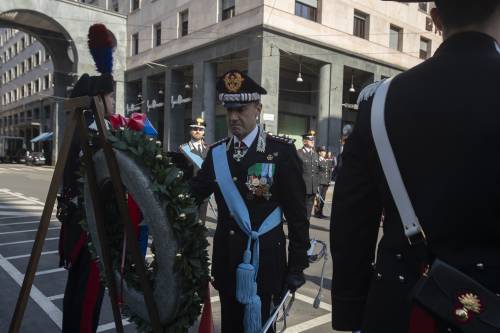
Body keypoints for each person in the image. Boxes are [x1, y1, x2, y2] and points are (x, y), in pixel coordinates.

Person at [330, 1, 500, 333]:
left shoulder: (378, 102)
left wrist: (351, 313)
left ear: (435, 20)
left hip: (402, 307)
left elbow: (351, 223)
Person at [189, 70, 310, 333]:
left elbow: (298, 215)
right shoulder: (218, 154)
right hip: (228, 262)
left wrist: (297, 265)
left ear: (258, 109)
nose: (233, 117)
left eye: (241, 109)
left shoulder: (280, 153)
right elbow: (193, 194)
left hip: (266, 263)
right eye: (228, 110)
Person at [58, 24, 116, 333]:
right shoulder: (94, 133)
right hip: (91, 230)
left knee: (78, 296)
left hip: (78, 227)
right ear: (98, 99)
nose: (114, 104)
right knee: (87, 299)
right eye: (110, 97)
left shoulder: (80, 129)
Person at [179, 117, 210, 224]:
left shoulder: (209, 149)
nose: (198, 131)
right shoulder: (183, 149)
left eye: (200, 129)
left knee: (201, 223)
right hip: (189, 192)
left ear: (204, 132)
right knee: (188, 224)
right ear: (190, 130)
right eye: (195, 128)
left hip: (204, 193)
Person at [297, 130, 320, 220]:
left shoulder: (314, 154)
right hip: (302, 188)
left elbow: (316, 171)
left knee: (308, 213)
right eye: (310, 140)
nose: (313, 141)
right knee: (300, 212)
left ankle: (305, 229)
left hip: (312, 188)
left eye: (313, 140)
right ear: (304, 141)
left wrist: (317, 186)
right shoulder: (299, 153)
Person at [313, 146, 332, 219]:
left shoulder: (325, 160)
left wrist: (329, 180)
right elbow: (315, 172)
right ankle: (317, 213)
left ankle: (321, 212)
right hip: (319, 182)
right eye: (323, 151)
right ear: (319, 152)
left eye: (324, 151)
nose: (324, 153)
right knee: (318, 198)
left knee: (323, 198)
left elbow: (329, 171)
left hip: (325, 182)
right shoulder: (317, 160)